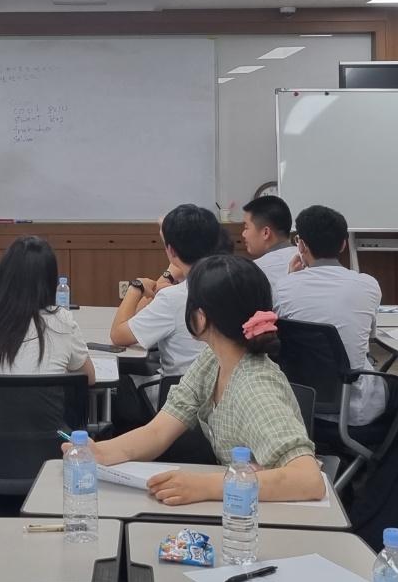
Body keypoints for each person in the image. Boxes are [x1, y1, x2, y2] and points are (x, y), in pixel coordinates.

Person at [68, 254, 324, 505]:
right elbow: (158, 431)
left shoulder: (255, 388)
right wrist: (99, 452)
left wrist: (204, 485)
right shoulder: (213, 361)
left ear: (201, 317)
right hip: (240, 505)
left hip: (268, 517)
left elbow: (309, 480)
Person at [272, 204, 386, 430]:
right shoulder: (368, 285)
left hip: (300, 406)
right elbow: (369, 337)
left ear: (301, 245)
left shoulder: (283, 286)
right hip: (355, 410)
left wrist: (290, 278)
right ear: (343, 245)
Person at [0, 235, 95, 380]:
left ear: (3, 274)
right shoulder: (62, 321)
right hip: (45, 396)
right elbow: (89, 378)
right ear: (49, 279)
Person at [109, 204, 219, 377]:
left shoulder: (173, 297)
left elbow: (118, 336)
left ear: (171, 250)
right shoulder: (229, 283)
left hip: (179, 389)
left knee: (119, 374)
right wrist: (168, 275)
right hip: (222, 387)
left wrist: (135, 287)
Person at [240, 194, 294, 287]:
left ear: (266, 232)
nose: (243, 234)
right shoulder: (307, 260)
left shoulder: (256, 270)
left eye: (246, 227)